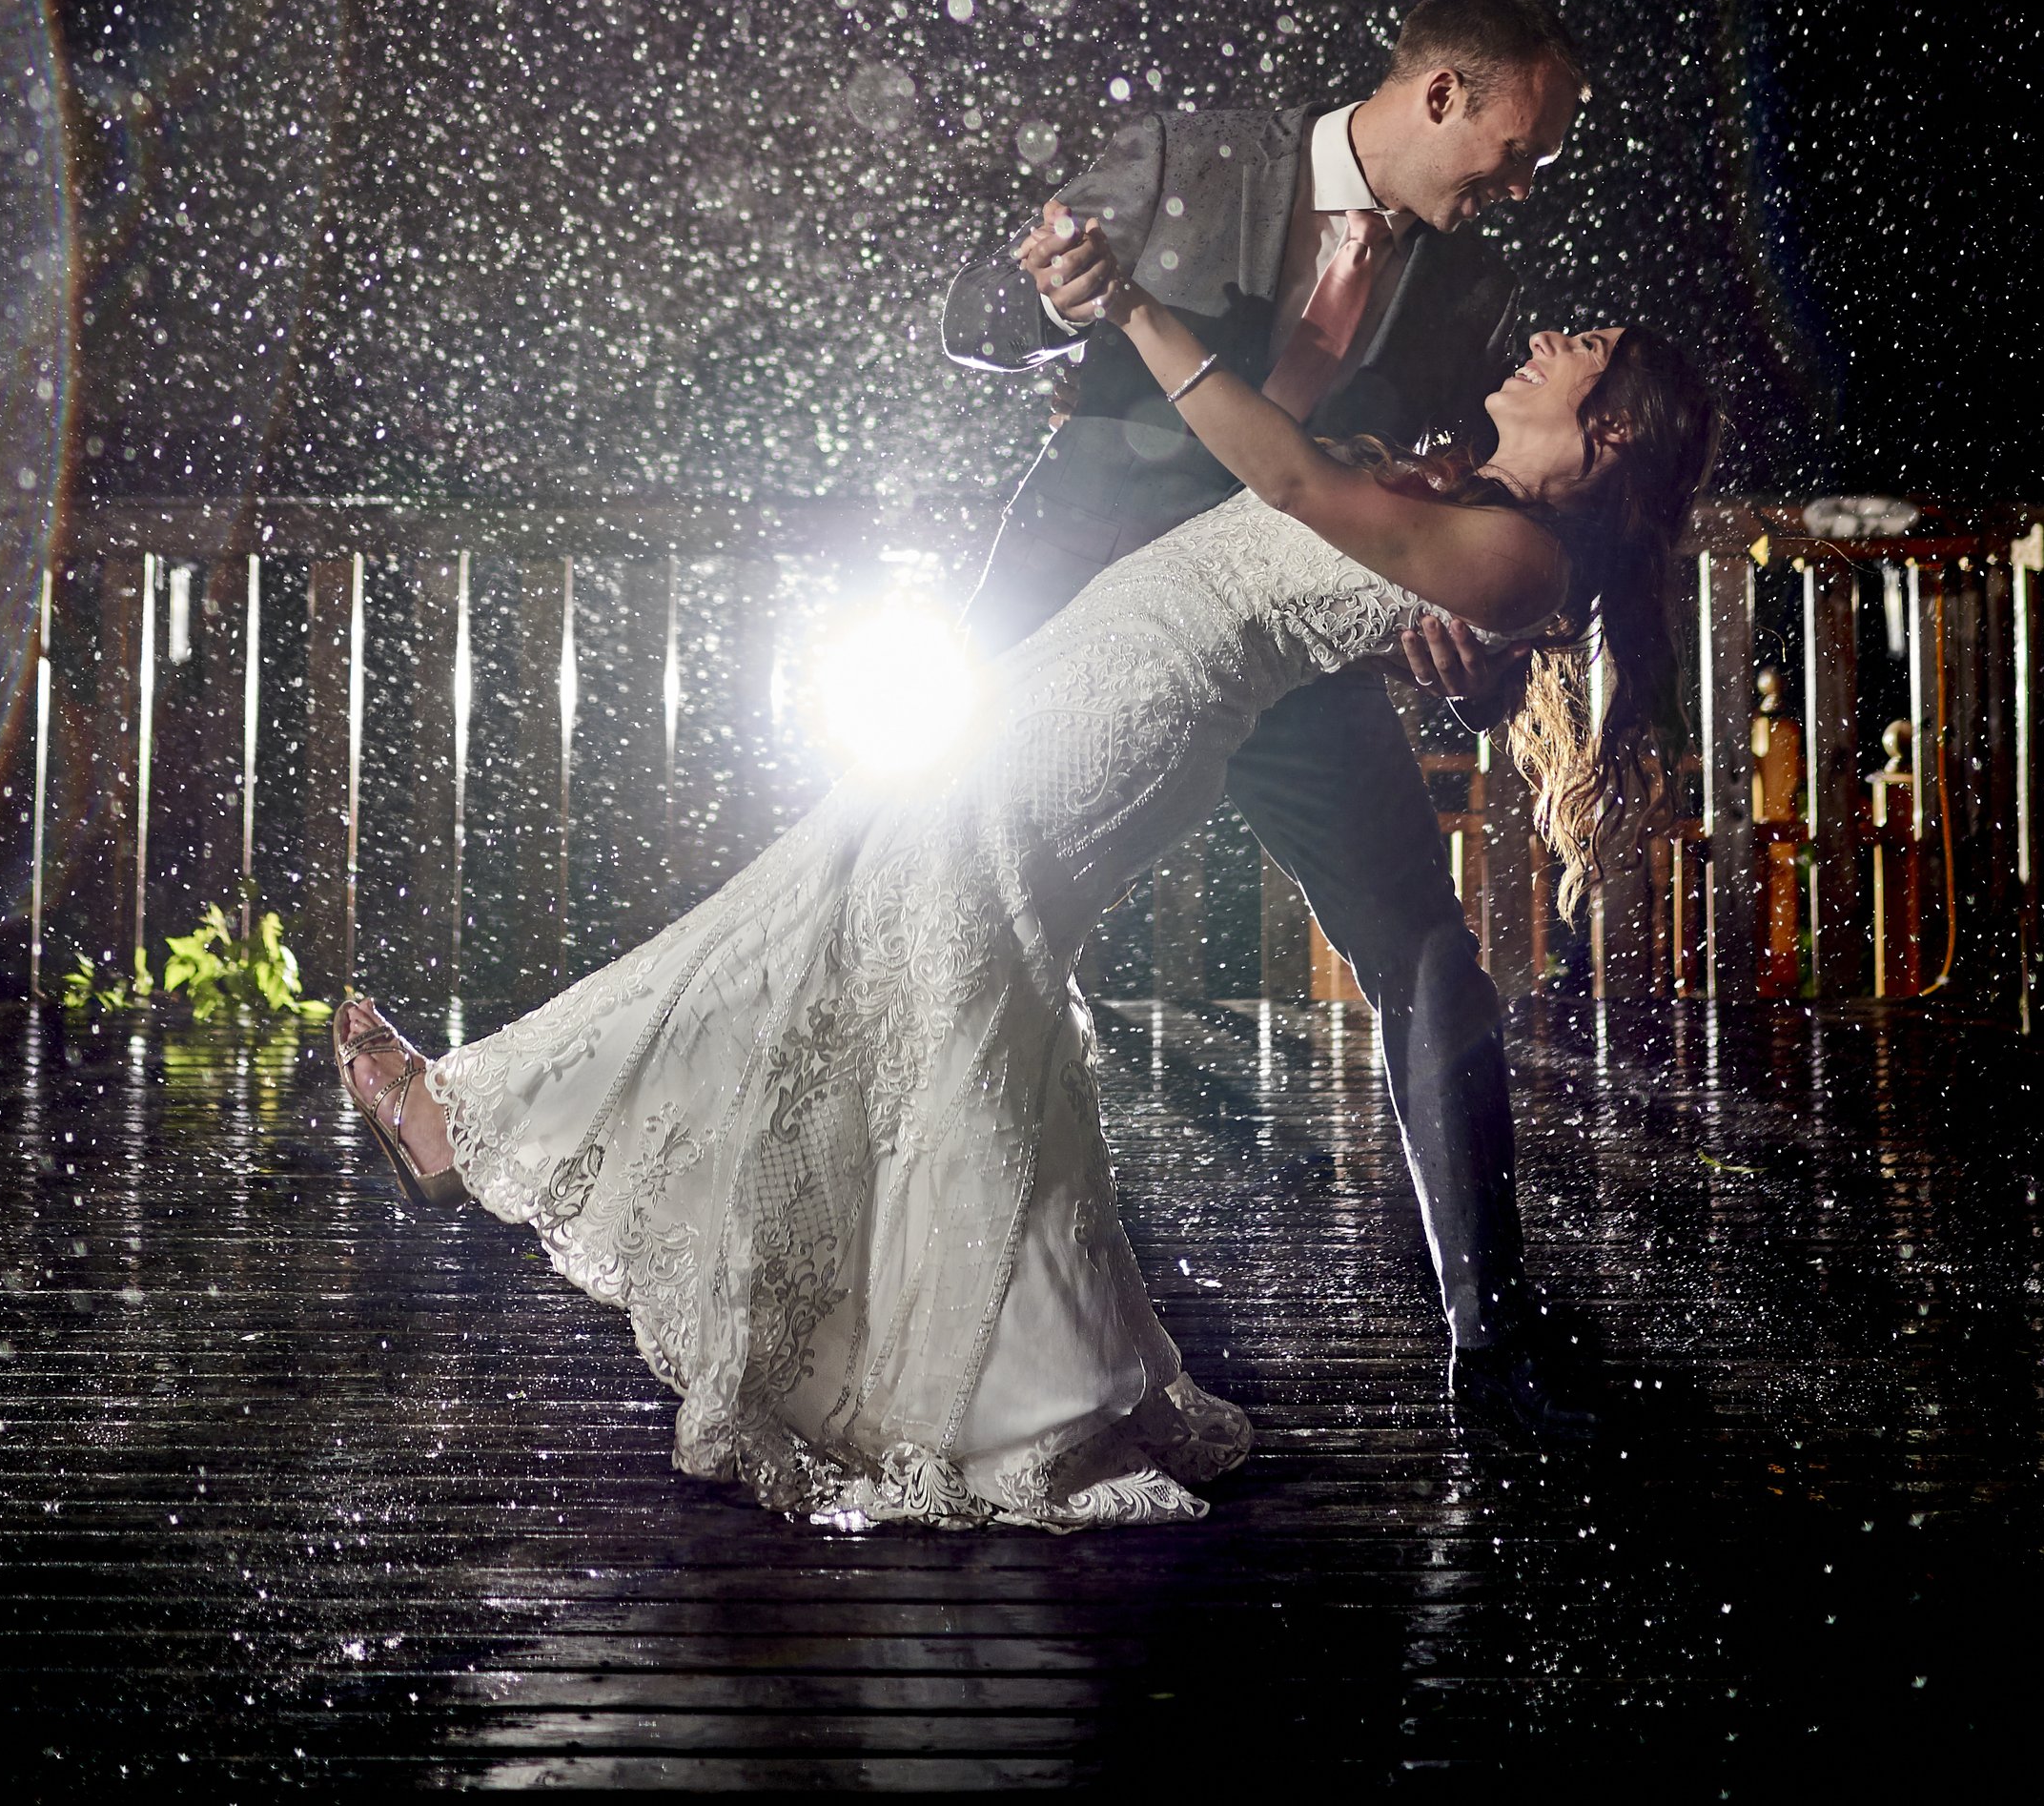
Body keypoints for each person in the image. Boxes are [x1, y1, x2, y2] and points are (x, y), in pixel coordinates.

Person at [334, 279, 1717, 1533]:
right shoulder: (1473, 498)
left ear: (1609, 430)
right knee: (868, 924)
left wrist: (1141, 308)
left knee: (881, 929)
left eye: (1584, 343)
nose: (1545, 337)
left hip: (1134, 707)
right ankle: (1040, 1378)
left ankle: (476, 1120)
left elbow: (1292, 481)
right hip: (1092, 667)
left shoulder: (1523, 555)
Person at [939, 0, 1595, 1432]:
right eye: (1520, 150)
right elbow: (973, 317)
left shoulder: (1475, 293)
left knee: (1424, 946)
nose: (1521, 185)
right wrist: (1047, 299)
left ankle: (1496, 1338)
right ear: (1444, 94)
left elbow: (1450, 507)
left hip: (1286, 648)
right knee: (941, 901)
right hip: (1075, 608)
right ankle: (963, 1300)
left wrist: (1457, 637)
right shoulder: (1189, 156)